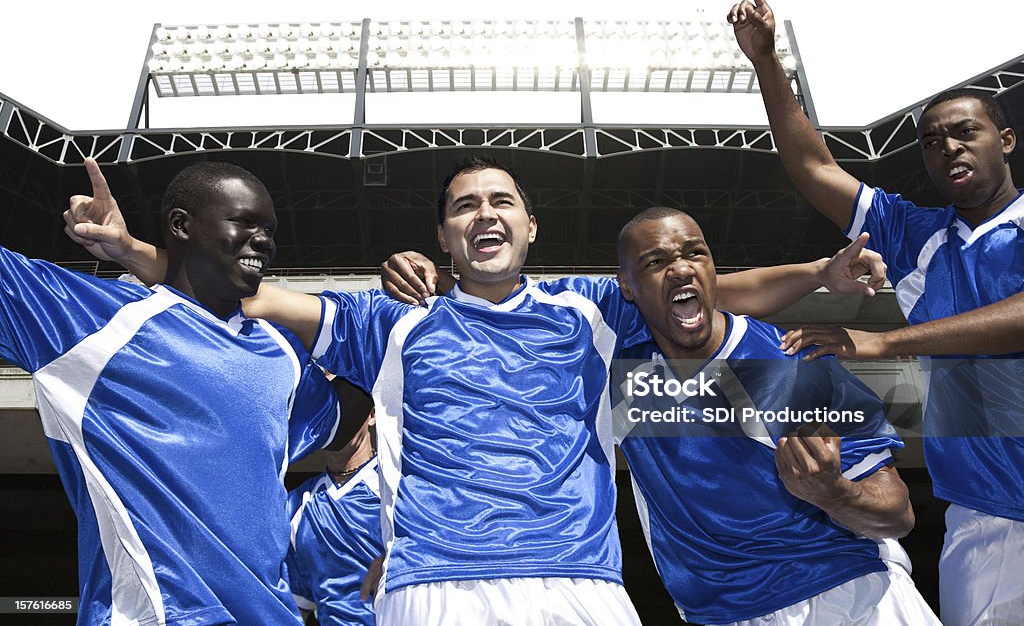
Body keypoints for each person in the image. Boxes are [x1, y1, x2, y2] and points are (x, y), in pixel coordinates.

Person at [66, 156, 886, 626]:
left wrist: (824, 273)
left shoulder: (594, 309)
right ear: (443, 236)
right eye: (464, 205)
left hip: (579, 584)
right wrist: (130, 246)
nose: (484, 213)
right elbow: (238, 295)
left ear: (530, 227)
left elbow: (707, 288)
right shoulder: (390, 318)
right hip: (435, 585)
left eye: (502, 201)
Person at [729, 0, 1024, 624]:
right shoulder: (916, 235)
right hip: (986, 516)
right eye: (932, 138)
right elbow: (813, 167)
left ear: (1005, 139)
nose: (947, 145)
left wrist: (887, 342)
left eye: (965, 130)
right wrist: (765, 62)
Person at [4, 159, 342, 625]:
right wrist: (128, 252)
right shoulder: (95, 320)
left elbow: (361, 406)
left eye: (270, 228)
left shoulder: (281, 352)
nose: (263, 240)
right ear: (181, 225)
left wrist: (432, 290)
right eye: (244, 222)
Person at [613, 206, 939, 625]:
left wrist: (832, 491)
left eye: (695, 254)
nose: (680, 270)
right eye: (656, 262)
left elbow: (898, 512)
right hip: (724, 614)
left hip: (850, 593)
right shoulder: (616, 370)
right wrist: (818, 272)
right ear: (626, 284)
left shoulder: (793, 363)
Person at [286, 380, 382, 625]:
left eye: (347, 406)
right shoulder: (297, 504)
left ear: (372, 414)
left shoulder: (396, 492)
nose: (339, 419)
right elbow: (298, 606)